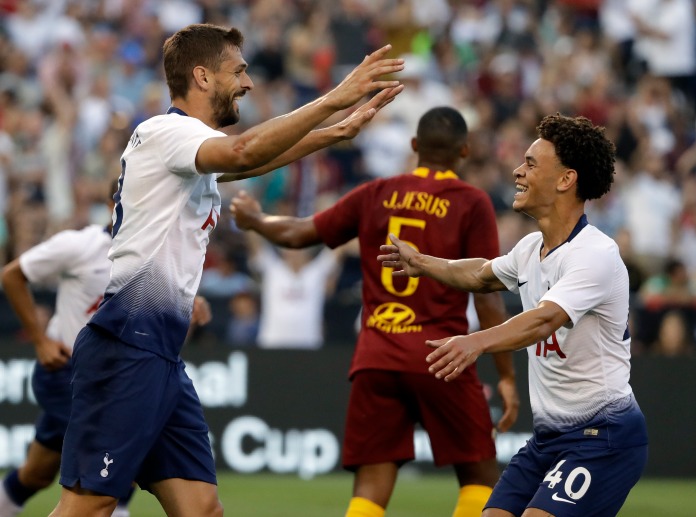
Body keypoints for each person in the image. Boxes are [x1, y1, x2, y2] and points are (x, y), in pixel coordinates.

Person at [50, 23, 404, 517]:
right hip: (126, 348)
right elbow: (245, 151)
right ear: (201, 76)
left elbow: (247, 165)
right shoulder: (169, 132)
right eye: (238, 70)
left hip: (161, 357)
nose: (248, 82)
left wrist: (334, 133)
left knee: (202, 509)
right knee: (87, 506)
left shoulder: (184, 147)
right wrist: (336, 97)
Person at [230, 106, 520, 517]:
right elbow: (488, 295)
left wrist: (257, 219)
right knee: (480, 478)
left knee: (370, 487)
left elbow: (298, 233)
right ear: (465, 151)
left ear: (415, 146)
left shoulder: (376, 193)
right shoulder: (472, 203)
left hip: (377, 357)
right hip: (442, 357)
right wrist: (506, 375)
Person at [378, 113, 648, 517]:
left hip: (602, 437)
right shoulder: (530, 249)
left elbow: (543, 319)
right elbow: (480, 274)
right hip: (548, 438)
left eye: (531, 164)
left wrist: (476, 341)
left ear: (565, 180)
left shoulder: (595, 254)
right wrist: (423, 263)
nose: (518, 171)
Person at [0, 198, 134, 517]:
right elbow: (12, 275)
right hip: (67, 373)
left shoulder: (152, 255)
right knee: (114, 460)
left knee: (36, 474)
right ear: (114, 202)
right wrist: (40, 339)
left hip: (114, 380)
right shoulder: (81, 245)